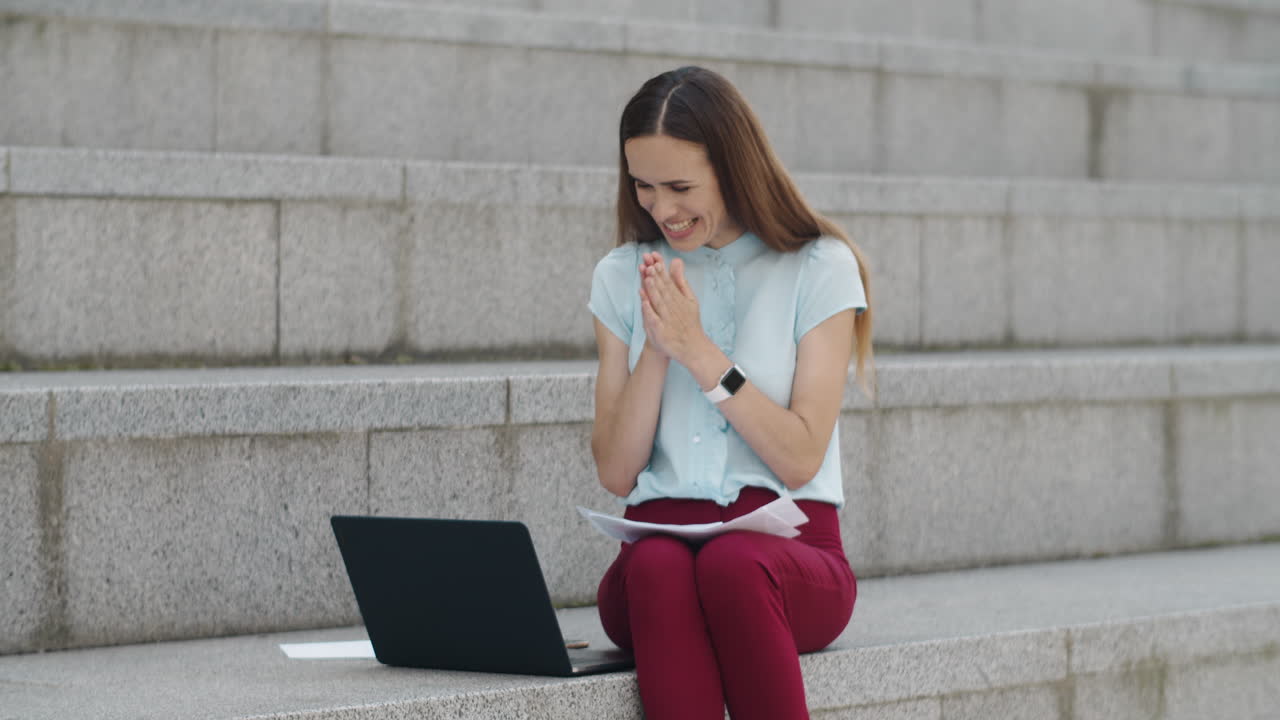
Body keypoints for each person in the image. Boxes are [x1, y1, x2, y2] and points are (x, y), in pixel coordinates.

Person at [587, 66, 875, 720]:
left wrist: (701, 352)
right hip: (656, 557)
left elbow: (801, 458)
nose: (661, 209)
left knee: (732, 565)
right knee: (659, 564)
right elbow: (616, 469)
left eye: (681, 187)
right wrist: (658, 350)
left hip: (788, 563)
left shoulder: (818, 266)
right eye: (644, 186)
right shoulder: (620, 274)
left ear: (735, 169)